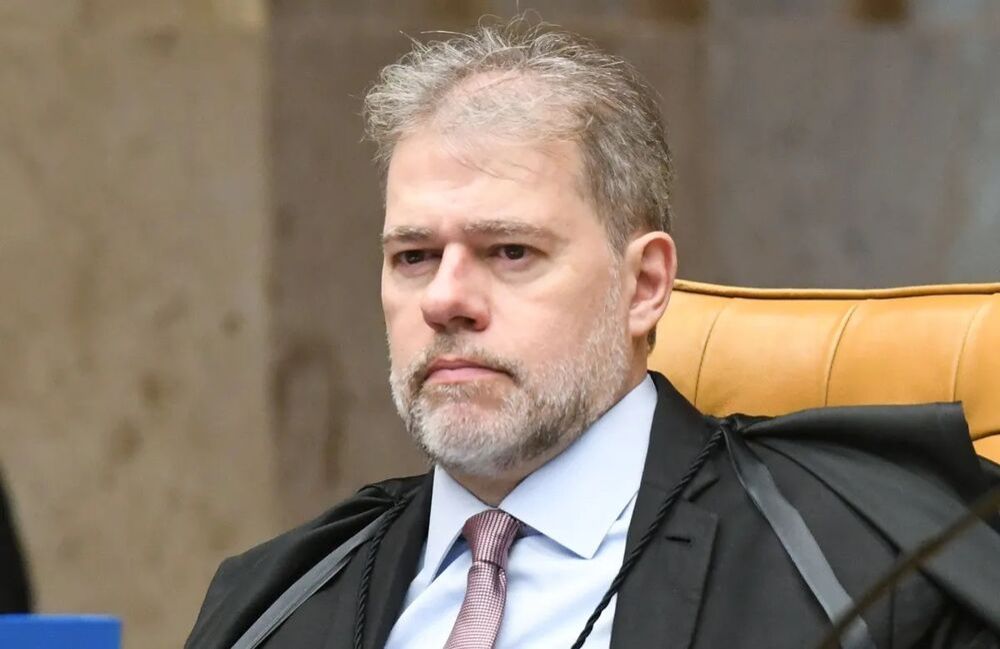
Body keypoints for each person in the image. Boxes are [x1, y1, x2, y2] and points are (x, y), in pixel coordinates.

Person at [185, 19, 1000, 649]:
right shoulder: (271, 603)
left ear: (643, 286)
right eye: (414, 256)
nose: (445, 299)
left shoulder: (871, 565)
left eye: (510, 251)